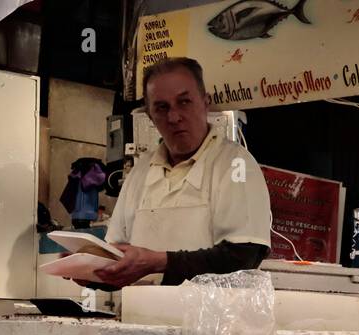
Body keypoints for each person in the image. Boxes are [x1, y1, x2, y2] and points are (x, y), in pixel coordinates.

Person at [93, 57, 272, 288]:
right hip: (140, 319)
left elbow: (242, 257)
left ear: (205, 102)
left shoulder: (236, 164)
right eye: (162, 107)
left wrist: (157, 262)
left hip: (209, 322)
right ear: (149, 115)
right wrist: (90, 271)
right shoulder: (139, 173)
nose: (174, 117)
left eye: (184, 102)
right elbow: (119, 260)